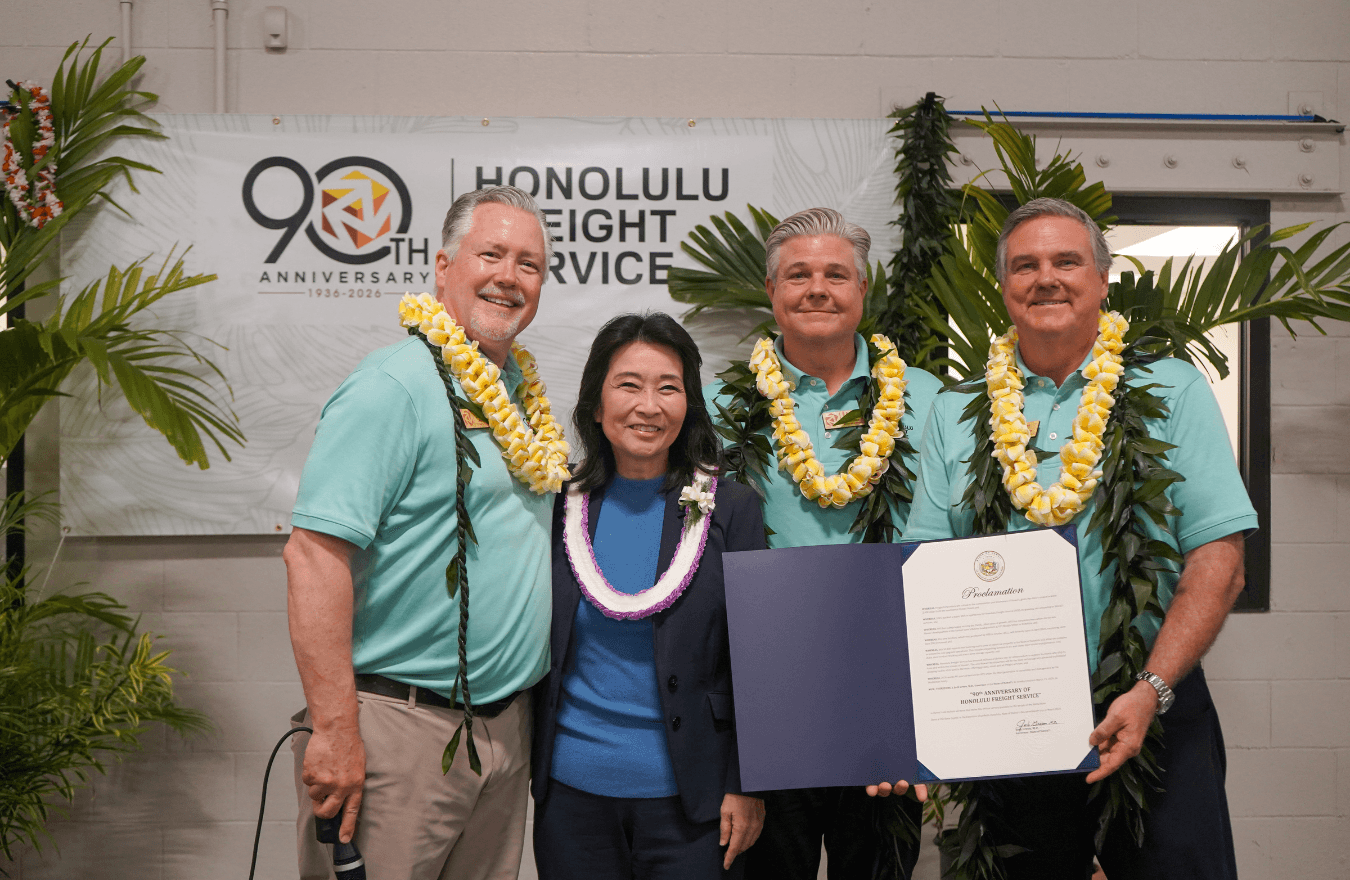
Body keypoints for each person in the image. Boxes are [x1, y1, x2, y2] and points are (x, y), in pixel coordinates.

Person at [905, 197, 1257, 879]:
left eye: (1067, 261)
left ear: (1102, 278)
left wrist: (1151, 689)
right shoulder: (955, 413)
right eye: (1025, 265)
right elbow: (924, 574)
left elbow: (1220, 560)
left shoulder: (1173, 389)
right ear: (1004, 287)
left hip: (1152, 703)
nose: (1046, 278)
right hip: (1006, 717)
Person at [284, 185, 569, 880]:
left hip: (505, 733)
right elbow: (314, 557)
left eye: (528, 264)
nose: (509, 276)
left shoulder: (518, 398)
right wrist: (335, 730)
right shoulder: (395, 385)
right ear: (443, 267)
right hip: (399, 730)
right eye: (491, 254)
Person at [707, 207, 942, 880]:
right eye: (798, 275)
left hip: (890, 695)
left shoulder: (930, 402)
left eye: (837, 274)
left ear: (863, 292)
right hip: (766, 697)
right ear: (772, 292)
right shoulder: (721, 404)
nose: (818, 289)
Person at [531, 312, 766, 879]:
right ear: (595, 403)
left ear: (689, 406)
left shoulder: (731, 507)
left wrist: (745, 783)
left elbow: (756, 659)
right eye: (628, 385)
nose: (649, 405)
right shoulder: (555, 504)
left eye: (669, 388)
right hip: (571, 797)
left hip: (694, 802)